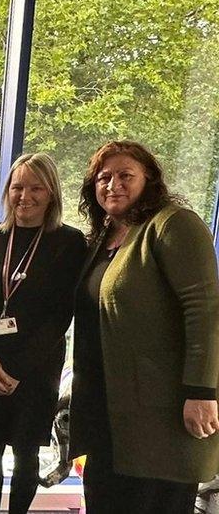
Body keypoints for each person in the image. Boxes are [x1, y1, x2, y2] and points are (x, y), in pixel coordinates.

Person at [70, 140, 219, 513]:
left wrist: (202, 392)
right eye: (104, 177)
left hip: (161, 412)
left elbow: (204, 310)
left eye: (125, 175)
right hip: (108, 409)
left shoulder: (173, 224)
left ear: (148, 178)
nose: (113, 184)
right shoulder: (106, 236)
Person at [0, 153, 86, 514]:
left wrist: (16, 368)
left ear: (51, 193)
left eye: (36, 188)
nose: (25, 196)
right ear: (7, 191)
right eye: (17, 187)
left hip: (35, 366)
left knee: (26, 451)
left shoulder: (69, 243)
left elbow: (61, 313)